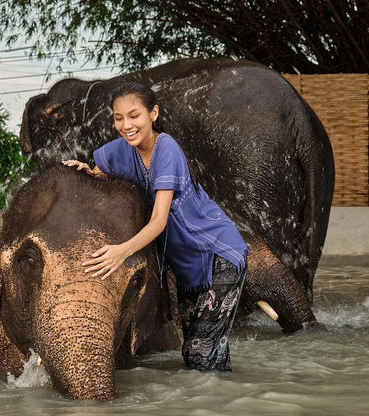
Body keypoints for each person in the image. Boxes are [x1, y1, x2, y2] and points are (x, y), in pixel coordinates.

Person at [63, 81, 249, 371]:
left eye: (134, 115)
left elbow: (159, 221)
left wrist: (121, 252)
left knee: (200, 354)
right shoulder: (120, 149)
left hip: (217, 254)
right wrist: (86, 174)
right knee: (198, 353)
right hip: (188, 267)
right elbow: (101, 176)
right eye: (118, 118)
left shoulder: (167, 149)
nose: (126, 125)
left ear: (153, 114)